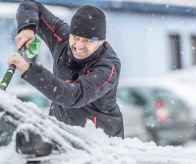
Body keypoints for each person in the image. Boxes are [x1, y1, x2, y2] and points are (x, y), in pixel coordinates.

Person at [8, 0, 124, 138]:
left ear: (102, 42)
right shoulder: (62, 38)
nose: (79, 46)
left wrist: (29, 70)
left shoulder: (107, 67)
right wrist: (27, 28)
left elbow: (73, 95)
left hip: (101, 142)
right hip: (60, 132)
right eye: (76, 38)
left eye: (88, 41)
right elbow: (31, 5)